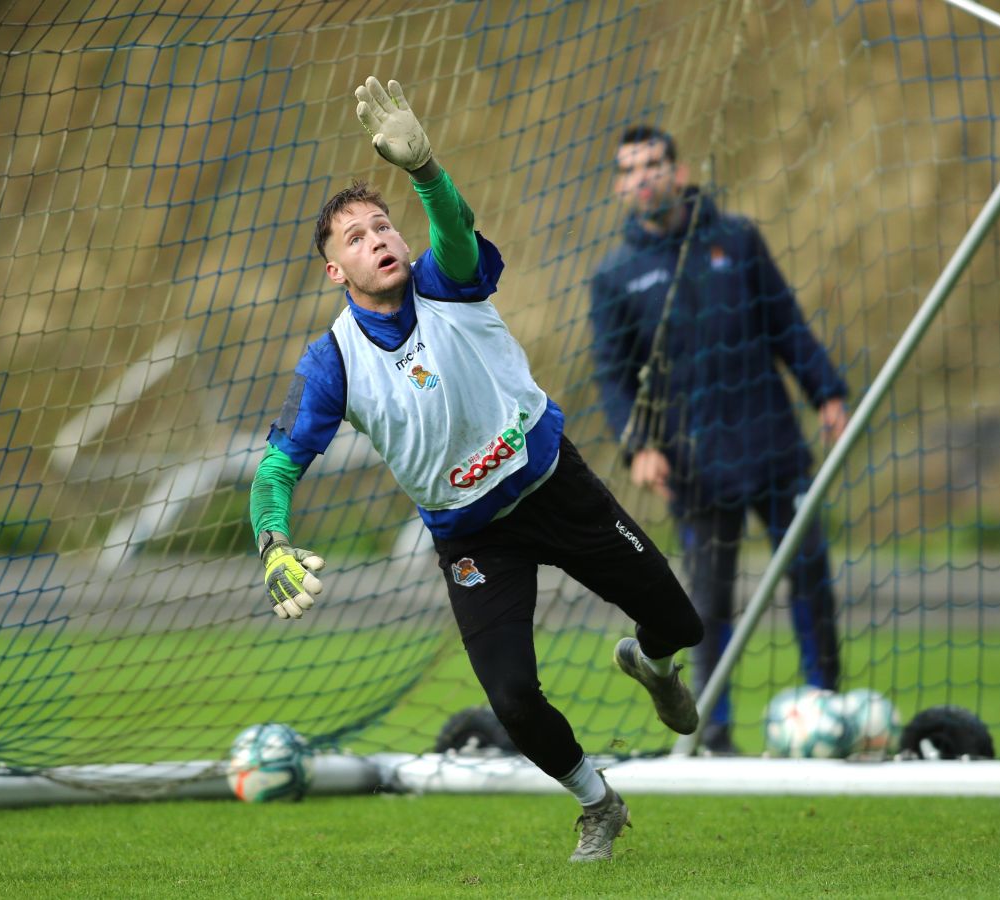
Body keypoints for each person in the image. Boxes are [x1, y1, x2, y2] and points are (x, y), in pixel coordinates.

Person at [248, 78, 705, 862]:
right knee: (513, 700)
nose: (377, 239)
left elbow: (454, 232)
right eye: (354, 238)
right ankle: (599, 804)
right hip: (472, 542)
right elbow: (276, 468)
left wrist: (426, 172)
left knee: (680, 624)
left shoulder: (444, 281)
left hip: (554, 486)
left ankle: (650, 664)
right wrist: (271, 540)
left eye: (381, 224)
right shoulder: (331, 363)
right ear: (335, 272)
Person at [588, 125, 851, 756]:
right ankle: (718, 731)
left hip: (774, 445)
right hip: (694, 464)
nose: (645, 176)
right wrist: (639, 446)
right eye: (631, 169)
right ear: (622, 187)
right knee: (708, 600)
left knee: (809, 574)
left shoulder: (736, 239)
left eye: (655, 163)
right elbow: (613, 375)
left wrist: (828, 392)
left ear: (679, 172)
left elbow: (786, 322)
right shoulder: (616, 276)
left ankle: (828, 706)